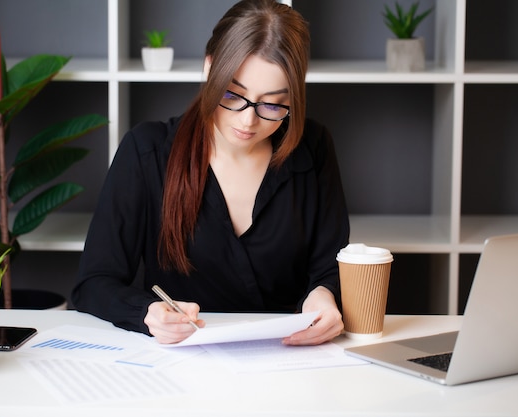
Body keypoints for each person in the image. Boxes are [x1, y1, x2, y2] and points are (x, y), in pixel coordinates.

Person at [72, 0, 350, 345]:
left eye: (273, 103)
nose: (248, 120)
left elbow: (329, 265)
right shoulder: (148, 152)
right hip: (182, 361)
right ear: (209, 69)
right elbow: (94, 282)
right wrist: (147, 312)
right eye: (233, 94)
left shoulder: (314, 148)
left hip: (289, 357)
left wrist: (323, 294)